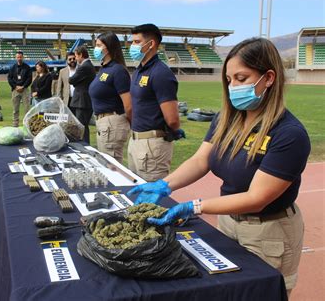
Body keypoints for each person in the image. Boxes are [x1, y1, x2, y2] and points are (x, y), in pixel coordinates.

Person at [128, 37, 310, 296]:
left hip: (269, 232)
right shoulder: (226, 119)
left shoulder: (289, 134)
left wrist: (194, 206)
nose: (233, 86)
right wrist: (165, 184)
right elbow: (201, 160)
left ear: (268, 78)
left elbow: (256, 198)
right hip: (228, 222)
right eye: (229, 79)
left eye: (242, 78)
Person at [127, 23, 184, 182]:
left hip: (152, 146)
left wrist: (174, 129)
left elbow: (172, 119)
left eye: (137, 42)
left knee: (152, 201)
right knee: (135, 193)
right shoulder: (139, 70)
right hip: (135, 141)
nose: (132, 46)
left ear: (151, 44)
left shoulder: (161, 73)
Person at [88, 31, 131, 163]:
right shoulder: (104, 68)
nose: (96, 48)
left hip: (112, 122)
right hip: (103, 122)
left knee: (111, 165)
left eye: (99, 45)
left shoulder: (118, 70)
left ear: (109, 47)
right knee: (105, 163)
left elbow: (128, 105)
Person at [69, 46, 96, 143]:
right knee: (83, 127)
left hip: (82, 101)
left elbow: (71, 80)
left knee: (82, 127)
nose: (75, 59)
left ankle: (85, 146)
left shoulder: (84, 67)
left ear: (81, 55)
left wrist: (75, 82)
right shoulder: (88, 65)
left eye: (76, 56)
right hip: (83, 100)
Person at [8, 51, 32, 127]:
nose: (19, 58)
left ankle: (27, 123)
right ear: (16, 58)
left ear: (23, 57)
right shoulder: (12, 67)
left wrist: (23, 86)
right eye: (18, 57)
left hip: (24, 90)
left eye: (20, 57)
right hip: (15, 90)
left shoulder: (27, 67)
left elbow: (29, 78)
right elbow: (9, 78)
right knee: (15, 109)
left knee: (27, 108)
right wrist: (15, 86)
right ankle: (15, 123)